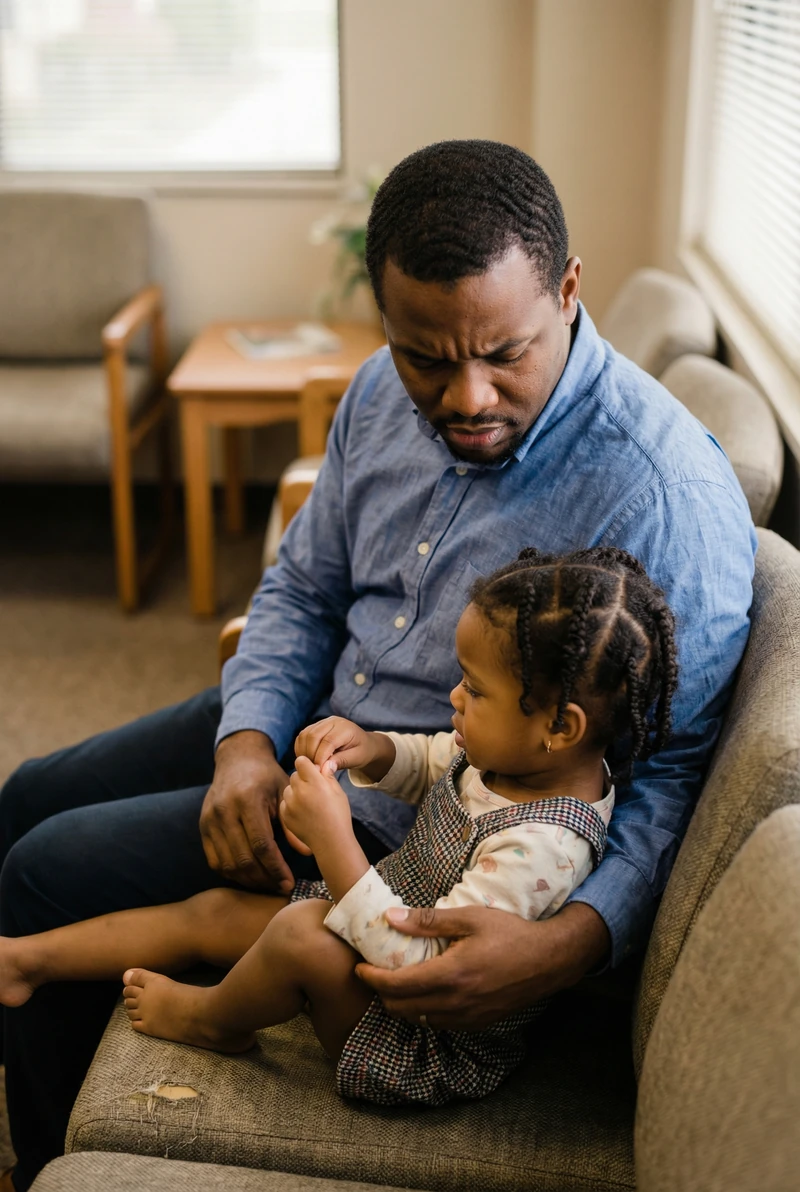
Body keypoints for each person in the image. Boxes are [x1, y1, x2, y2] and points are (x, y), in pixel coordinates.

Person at [0, 139, 756, 1190]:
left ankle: (39, 1160)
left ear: (568, 290)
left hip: (412, 823)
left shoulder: (661, 496)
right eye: (426, 358)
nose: (465, 396)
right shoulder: (370, 391)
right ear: (385, 318)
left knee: (44, 870)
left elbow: (666, 775)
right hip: (325, 723)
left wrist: (570, 942)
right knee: (25, 793)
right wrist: (246, 741)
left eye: (503, 352)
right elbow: (304, 590)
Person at [0, 547, 675, 1109]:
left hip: (418, 1033)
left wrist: (333, 838)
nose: (454, 698)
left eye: (475, 689)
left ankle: (211, 1021)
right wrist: (374, 748)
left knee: (294, 931)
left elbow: (421, 970)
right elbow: (435, 760)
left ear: (561, 727)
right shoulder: (513, 760)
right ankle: (25, 961)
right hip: (373, 927)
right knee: (216, 910)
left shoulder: (544, 848)